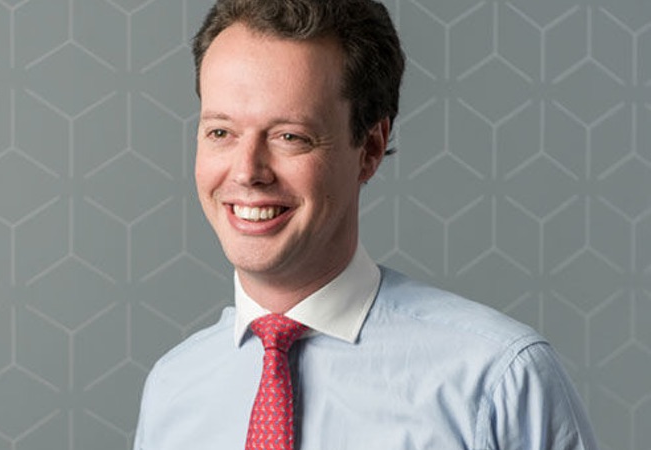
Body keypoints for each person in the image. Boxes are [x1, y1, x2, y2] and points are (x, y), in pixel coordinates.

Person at [133, 0, 598, 448]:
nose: (247, 171)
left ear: (371, 148)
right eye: (221, 132)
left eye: (290, 136)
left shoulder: (498, 381)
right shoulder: (173, 389)